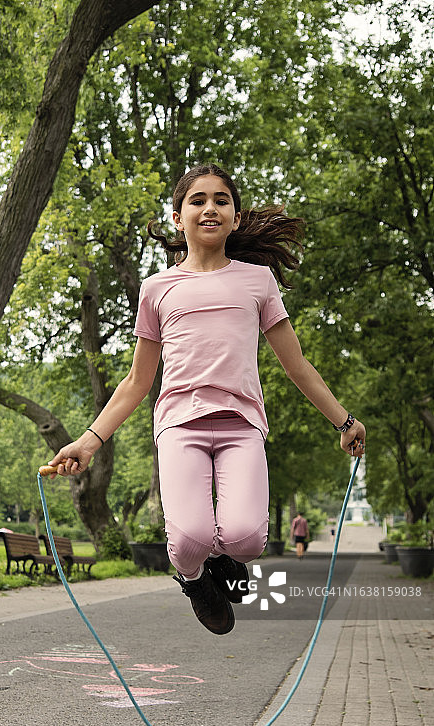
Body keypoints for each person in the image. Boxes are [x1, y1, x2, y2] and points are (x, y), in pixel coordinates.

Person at [48, 163, 366, 636]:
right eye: (197, 200)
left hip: (242, 424)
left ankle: (220, 565)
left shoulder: (257, 281)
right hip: (179, 425)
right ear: (178, 217)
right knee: (190, 540)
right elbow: (137, 381)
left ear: (236, 218)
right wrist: (88, 441)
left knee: (247, 538)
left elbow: (296, 365)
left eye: (221, 200)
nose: (210, 208)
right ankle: (195, 579)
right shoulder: (157, 289)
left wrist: (345, 422)